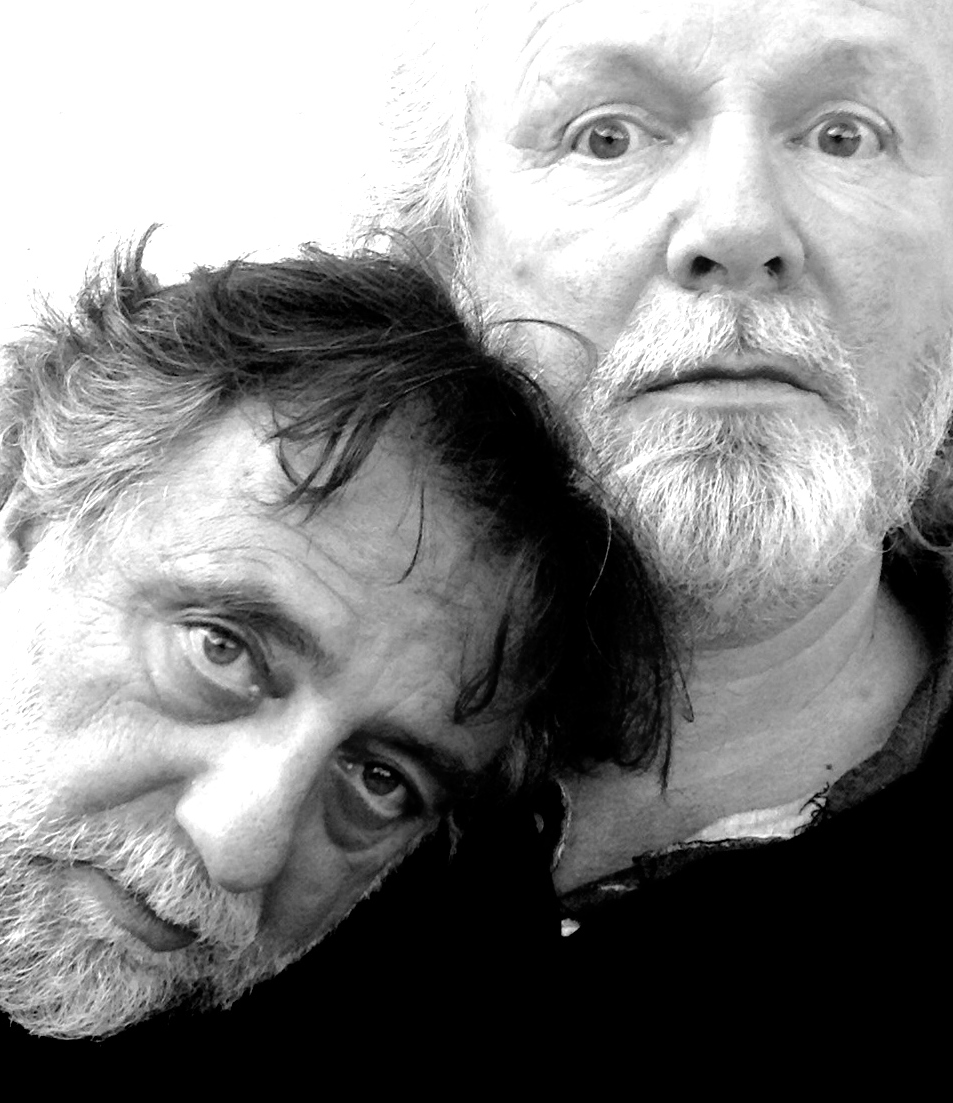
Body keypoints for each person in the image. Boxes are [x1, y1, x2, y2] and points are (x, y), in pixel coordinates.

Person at [0, 236, 671, 1054]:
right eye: (221, 649)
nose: (242, 846)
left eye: (380, 778)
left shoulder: (422, 984)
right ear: (20, 536)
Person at [372, 0, 953, 1028]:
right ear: (440, 252)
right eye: (606, 136)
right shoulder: (221, 766)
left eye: (844, 135)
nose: (738, 226)